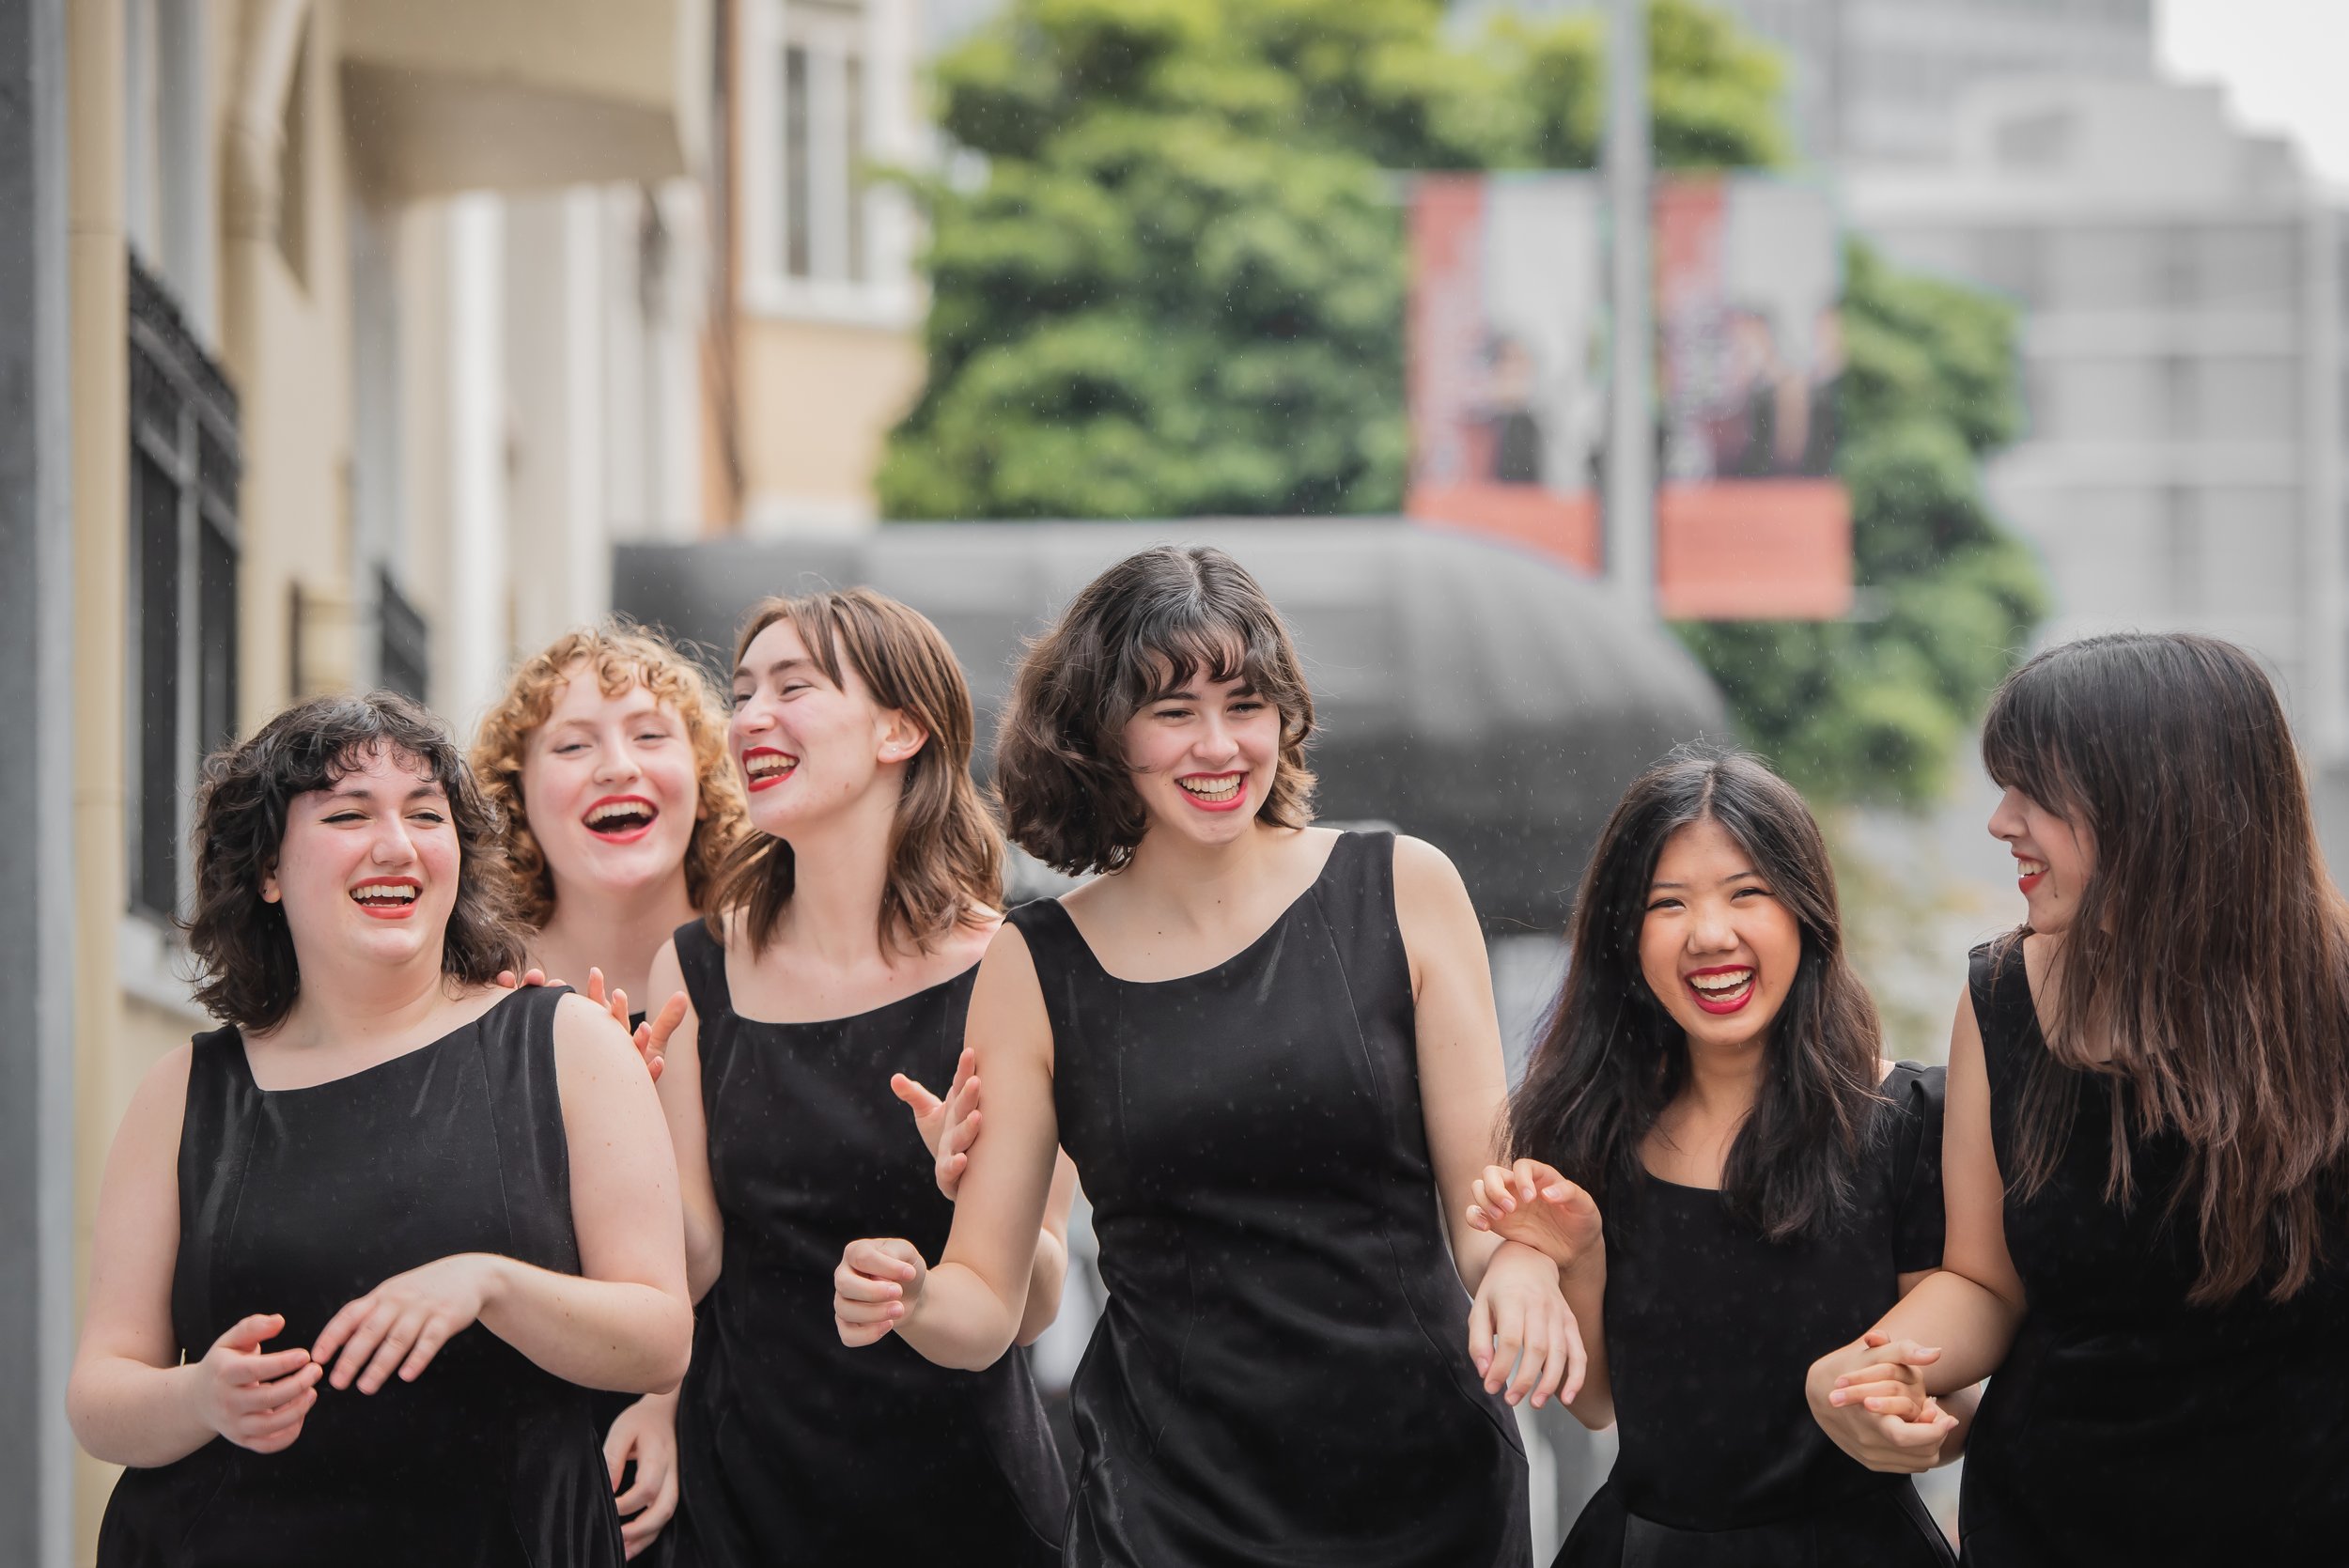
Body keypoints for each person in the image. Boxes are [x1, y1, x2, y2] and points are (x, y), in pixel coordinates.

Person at [832, 544, 1575, 1568]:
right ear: (1100, 733)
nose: (1218, 745)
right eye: (1172, 711)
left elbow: (1488, 1211)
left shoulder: (1404, 886)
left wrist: (1529, 1265)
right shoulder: (1035, 964)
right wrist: (910, 1295)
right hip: (1171, 1508)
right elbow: (985, 1298)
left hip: (1425, 1484)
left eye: (1246, 703)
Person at [71, 691, 692, 1568]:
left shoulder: (567, 1042)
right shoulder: (184, 1091)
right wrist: (200, 1398)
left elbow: (661, 1339)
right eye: (349, 813)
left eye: (426, 815)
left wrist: (491, 1284)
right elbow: (100, 1395)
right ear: (268, 870)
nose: (396, 846)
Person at [1807, 632, 2349, 1563]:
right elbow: (1982, 1281)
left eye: (2036, 791)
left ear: (2161, 804)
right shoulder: (2001, 996)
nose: (1999, 821)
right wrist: (1865, 1368)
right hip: (2051, 1525)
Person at [641, 589, 1073, 1567]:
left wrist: (969, 1211)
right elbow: (693, 1260)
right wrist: (608, 1116)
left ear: (902, 727)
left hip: (967, 1511)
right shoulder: (694, 967)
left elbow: (1036, 1300)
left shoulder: (1017, 968)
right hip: (743, 1501)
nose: (750, 716)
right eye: (742, 692)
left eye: (793, 687)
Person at [1470, 745, 1959, 1566]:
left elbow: (1953, 1389)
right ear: (1625, 935)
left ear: (1806, 911)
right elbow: (1597, 1405)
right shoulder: (1592, 1125)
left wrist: (1920, 1428)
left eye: (1747, 894)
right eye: (1668, 904)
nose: (1709, 935)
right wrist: (1571, 1251)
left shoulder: (1903, 1120)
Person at [470, 623, 749, 1560]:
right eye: (574, 743)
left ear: (703, 781)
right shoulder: (470, 993)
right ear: (516, 795)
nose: (614, 766)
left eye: (649, 734)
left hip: (742, 1440)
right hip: (501, 1447)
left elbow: (701, 1253)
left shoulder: (757, 971)